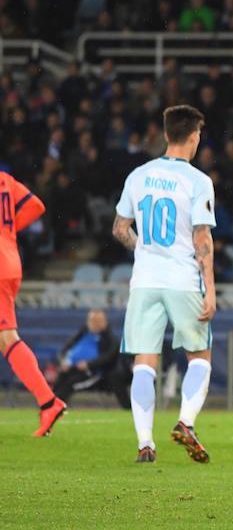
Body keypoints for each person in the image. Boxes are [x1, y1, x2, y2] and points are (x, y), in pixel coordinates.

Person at [112, 104, 217, 464]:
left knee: (144, 361)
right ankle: (185, 422)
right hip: (182, 280)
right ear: (193, 136)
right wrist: (211, 289)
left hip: (144, 281)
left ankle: (145, 444)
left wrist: (144, 248)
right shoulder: (198, 181)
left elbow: (120, 228)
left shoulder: (138, 175)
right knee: (199, 355)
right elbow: (202, 238)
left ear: (167, 134)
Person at [0, 171, 67, 436]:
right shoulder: (4, 179)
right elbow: (36, 206)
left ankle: (49, 402)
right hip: (10, 260)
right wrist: (7, 233)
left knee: (7, 337)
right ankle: (48, 402)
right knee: (5, 339)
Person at [54, 309, 129, 407]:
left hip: (93, 373)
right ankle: (51, 406)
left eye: (98, 321)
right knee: (61, 378)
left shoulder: (110, 340)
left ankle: (57, 409)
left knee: (69, 385)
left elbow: (107, 358)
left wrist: (89, 364)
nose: (95, 324)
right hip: (72, 368)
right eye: (92, 321)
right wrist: (63, 361)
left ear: (105, 322)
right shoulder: (82, 334)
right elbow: (66, 348)